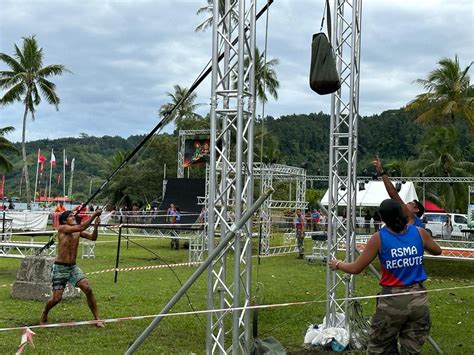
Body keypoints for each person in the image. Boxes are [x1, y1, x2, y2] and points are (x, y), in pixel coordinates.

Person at [329, 199, 441, 354]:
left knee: (378, 348)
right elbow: (437, 251)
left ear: (382, 218)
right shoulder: (419, 233)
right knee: (412, 350)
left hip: (392, 302)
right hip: (419, 302)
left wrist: (338, 264)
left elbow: (356, 268)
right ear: (402, 213)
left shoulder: (379, 238)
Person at [40, 209, 103, 327]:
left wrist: (96, 227)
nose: (73, 217)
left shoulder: (78, 231)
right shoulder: (62, 228)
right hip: (60, 268)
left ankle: (97, 319)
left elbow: (93, 238)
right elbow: (81, 227)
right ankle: (45, 312)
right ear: (64, 220)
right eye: (70, 216)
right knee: (56, 299)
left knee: (88, 289)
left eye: (74, 215)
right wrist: (94, 215)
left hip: (72, 267)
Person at [372, 158, 425, 227]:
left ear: (416, 210)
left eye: (409, 204)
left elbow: (394, 195)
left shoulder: (410, 217)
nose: (405, 204)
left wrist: (382, 172)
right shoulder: (413, 225)